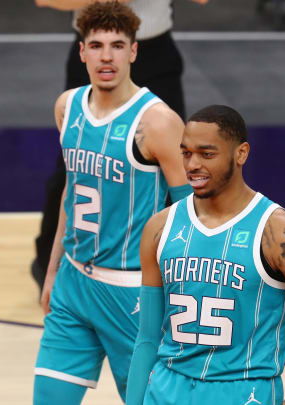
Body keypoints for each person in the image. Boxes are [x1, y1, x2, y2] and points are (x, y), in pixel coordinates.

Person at [125, 105, 285, 405]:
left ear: (241, 153)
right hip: (166, 391)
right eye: (186, 153)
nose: (192, 164)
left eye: (207, 154)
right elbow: (147, 340)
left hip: (242, 394)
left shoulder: (279, 233)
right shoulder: (159, 228)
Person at [32, 2, 193, 404]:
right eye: (97, 45)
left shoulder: (156, 123)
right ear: (81, 51)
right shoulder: (66, 107)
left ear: (134, 52)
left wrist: (179, 295)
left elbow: (190, 214)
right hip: (73, 285)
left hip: (133, 294)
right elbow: (71, 195)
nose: (107, 56)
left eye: (118, 45)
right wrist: (51, 272)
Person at [31, 0, 206, 291]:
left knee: (176, 173)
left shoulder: (161, 120)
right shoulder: (72, 96)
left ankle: (181, 272)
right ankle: (51, 266)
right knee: (74, 170)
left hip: (155, 52)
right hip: (98, 45)